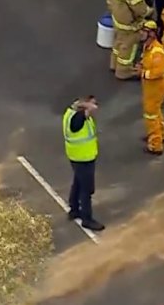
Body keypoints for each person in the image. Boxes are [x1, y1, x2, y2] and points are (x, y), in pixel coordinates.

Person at [63, 95, 105, 231]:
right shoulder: (78, 118)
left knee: (78, 183)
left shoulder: (71, 113)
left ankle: (74, 209)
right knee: (87, 189)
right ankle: (87, 219)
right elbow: (78, 124)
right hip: (83, 158)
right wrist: (89, 109)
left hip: (77, 156)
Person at [137, 20, 164, 155]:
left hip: (155, 88)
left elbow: (158, 72)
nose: (141, 34)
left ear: (151, 34)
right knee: (156, 113)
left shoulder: (157, 52)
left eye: (144, 32)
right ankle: (160, 134)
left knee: (151, 115)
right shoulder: (147, 47)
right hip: (150, 87)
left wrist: (143, 73)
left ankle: (155, 145)